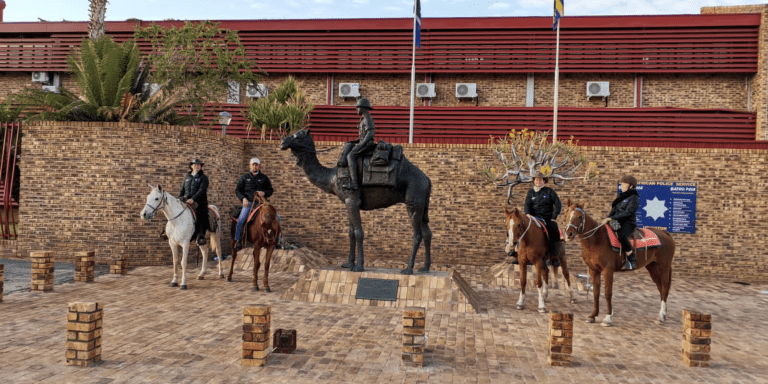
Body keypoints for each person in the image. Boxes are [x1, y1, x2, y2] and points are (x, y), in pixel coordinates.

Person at [510, 172, 562, 265]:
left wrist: (553, 217)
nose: (538, 181)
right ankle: (517, 253)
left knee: (554, 229)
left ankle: (554, 257)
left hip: (547, 218)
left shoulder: (550, 191)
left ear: (544, 181)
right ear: (534, 181)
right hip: (532, 218)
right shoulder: (531, 192)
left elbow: (558, 205)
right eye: (536, 179)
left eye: (540, 179)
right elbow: (527, 204)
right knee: (518, 227)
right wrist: (528, 214)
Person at [601, 175, 640, 270]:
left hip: (628, 223)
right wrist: (607, 218)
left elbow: (628, 212)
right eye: (621, 184)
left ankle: (631, 259)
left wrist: (611, 219)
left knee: (621, 235)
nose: (621, 186)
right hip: (616, 220)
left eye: (624, 184)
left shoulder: (634, 198)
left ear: (631, 186)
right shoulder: (620, 197)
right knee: (604, 231)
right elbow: (613, 211)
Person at [234, 157, 274, 250]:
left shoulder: (264, 178)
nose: (255, 166)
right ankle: (238, 240)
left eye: (256, 165)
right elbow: (237, 190)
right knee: (241, 219)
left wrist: (264, 193)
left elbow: (270, 190)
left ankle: (277, 239)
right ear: (250, 166)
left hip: (262, 202)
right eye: (253, 164)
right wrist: (243, 198)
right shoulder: (244, 178)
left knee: (277, 218)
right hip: (249, 202)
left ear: (259, 166)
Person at [336, 98, 376, 190]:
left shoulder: (368, 119)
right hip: (364, 143)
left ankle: (354, 184)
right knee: (349, 145)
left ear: (364, 108)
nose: (356, 109)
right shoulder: (363, 119)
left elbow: (370, 133)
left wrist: (360, 145)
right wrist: (353, 142)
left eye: (358, 107)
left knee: (351, 156)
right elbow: (362, 136)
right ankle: (342, 164)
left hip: (367, 144)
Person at [178, 158, 209, 245]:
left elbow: (202, 190)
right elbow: (182, 190)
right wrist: (179, 198)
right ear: (191, 166)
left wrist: (193, 199)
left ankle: (201, 235)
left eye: (199, 164)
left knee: (201, 215)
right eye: (195, 164)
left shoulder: (203, 177)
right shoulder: (187, 177)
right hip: (187, 201)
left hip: (199, 202)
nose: (197, 166)